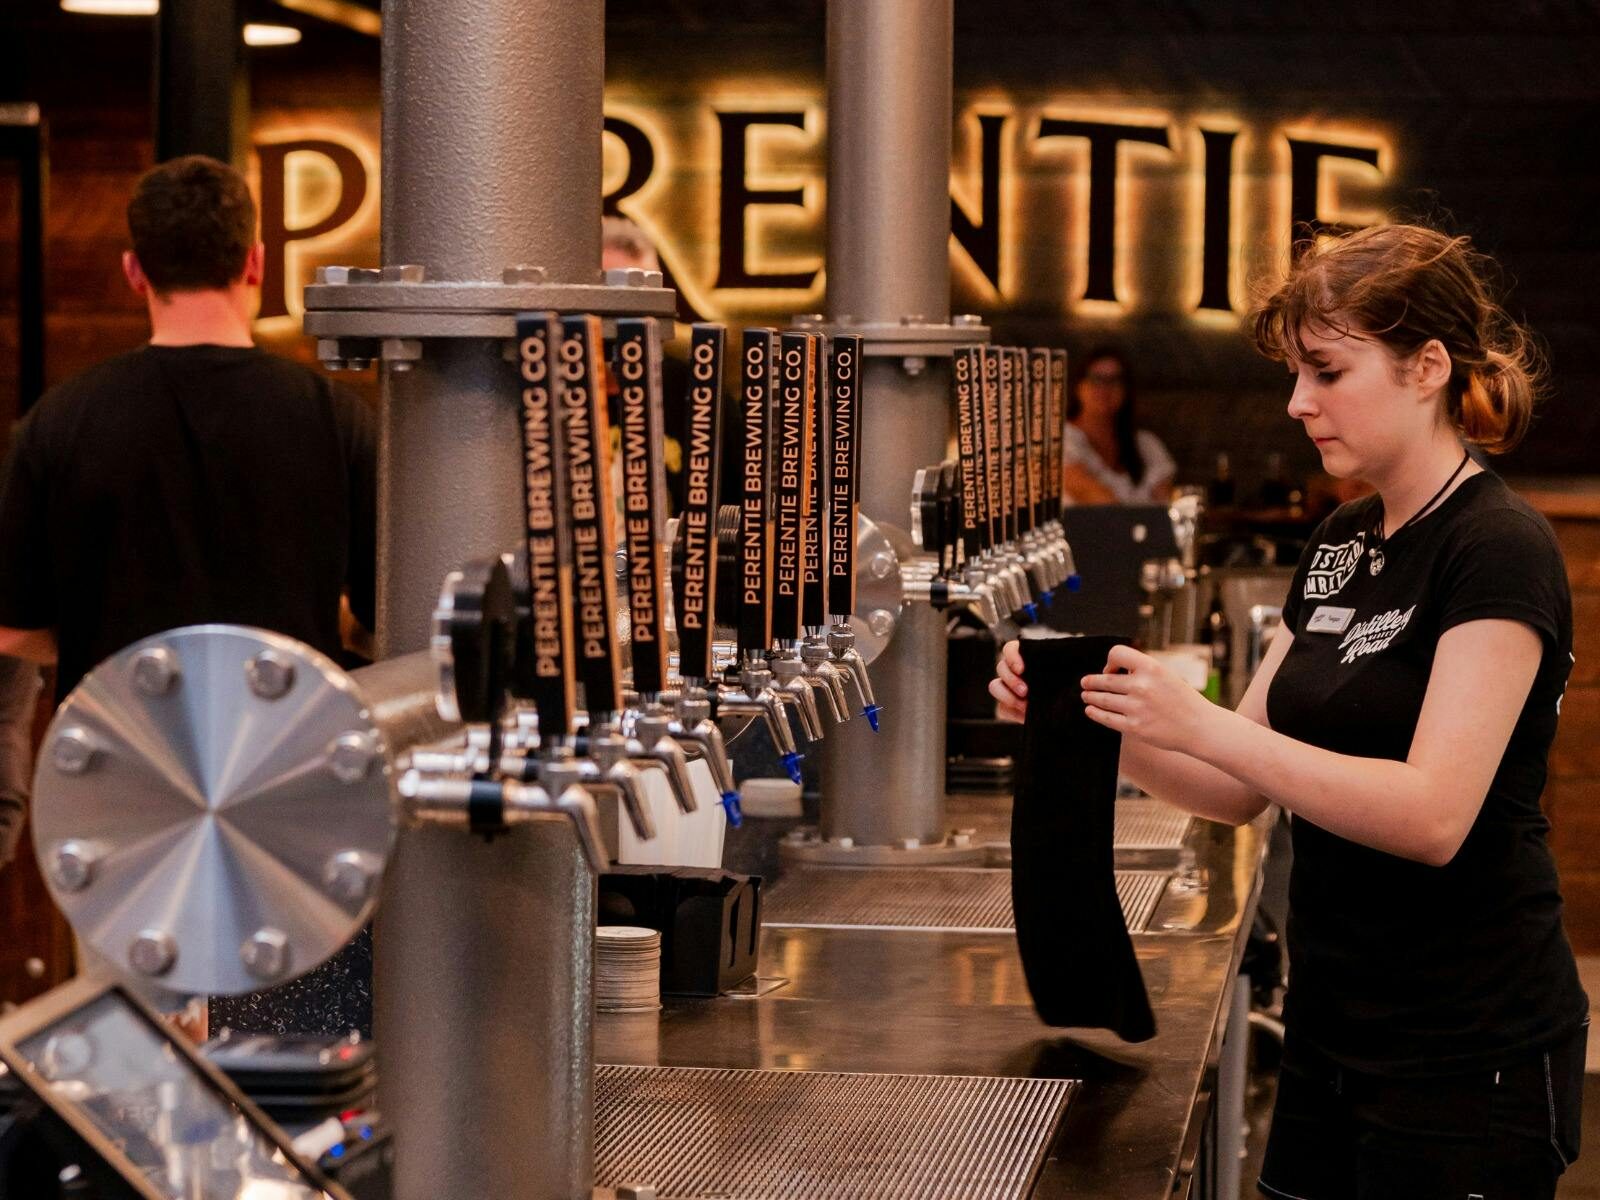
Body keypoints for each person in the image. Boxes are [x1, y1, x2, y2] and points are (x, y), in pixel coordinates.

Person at [992, 224, 1584, 1197]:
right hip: (1331, 1021)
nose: (1296, 402)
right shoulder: (1341, 539)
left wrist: (1199, 718)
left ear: (1425, 366)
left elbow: (1433, 815)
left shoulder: (1497, 548)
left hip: (1468, 1047)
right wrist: (1094, 716)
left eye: (1325, 372)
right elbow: (1233, 787)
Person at [0, 154, 377, 1034]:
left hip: (123, 777)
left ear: (135, 269)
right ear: (253, 263)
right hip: (293, 771)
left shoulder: (58, 422)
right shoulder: (329, 417)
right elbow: (379, 610)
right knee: (290, 1053)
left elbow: (15, 633)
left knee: (151, 1066)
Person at [1060, 346, 1176, 504]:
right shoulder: (1059, 440)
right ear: (1079, 386)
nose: (1105, 388)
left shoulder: (1146, 444)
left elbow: (1166, 506)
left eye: (1115, 380)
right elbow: (1088, 493)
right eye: (1096, 378)